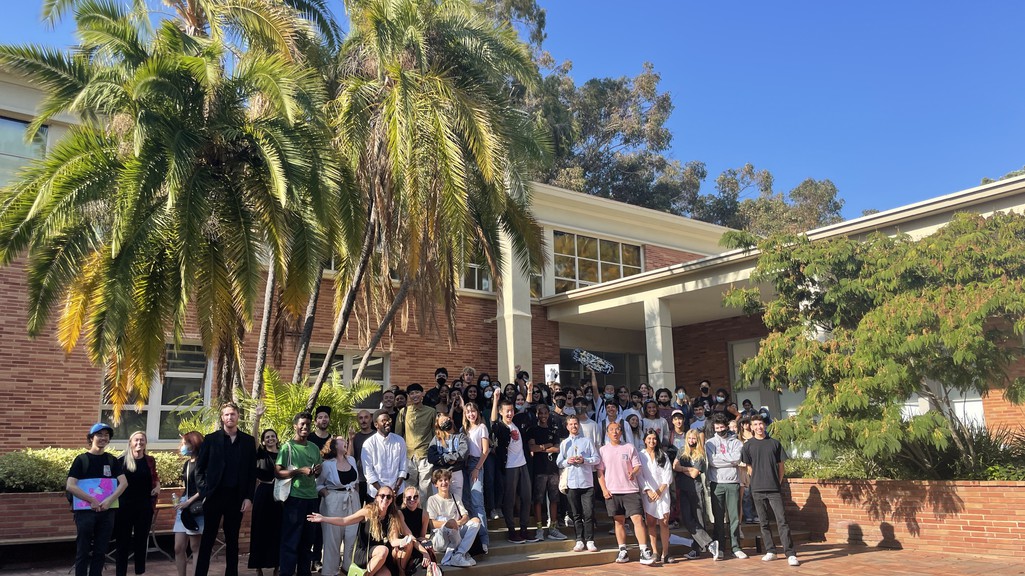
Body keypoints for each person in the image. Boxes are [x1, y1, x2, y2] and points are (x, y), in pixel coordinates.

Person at [306, 487, 430, 576]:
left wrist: (411, 545)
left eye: (388, 497)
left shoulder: (393, 516)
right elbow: (345, 520)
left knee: (386, 574)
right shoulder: (368, 512)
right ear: (376, 497)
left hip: (380, 557)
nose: (385, 499)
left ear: (392, 500)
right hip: (362, 552)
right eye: (382, 496)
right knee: (383, 550)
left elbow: (394, 541)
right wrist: (323, 518)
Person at [195, 402, 257, 576]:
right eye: (227, 415)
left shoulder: (247, 441)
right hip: (214, 495)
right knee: (208, 539)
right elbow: (199, 469)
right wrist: (204, 493)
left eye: (233, 414)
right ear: (222, 417)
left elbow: (252, 473)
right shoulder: (211, 439)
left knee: (232, 540)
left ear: (238, 416)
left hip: (236, 497)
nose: (230, 417)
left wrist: (248, 497)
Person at [67, 422, 127, 576]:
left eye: (106, 435)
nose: (103, 438)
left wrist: (109, 501)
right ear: (91, 438)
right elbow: (71, 485)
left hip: (107, 512)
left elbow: (124, 483)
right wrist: (92, 500)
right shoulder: (81, 460)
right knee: (83, 551)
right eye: (99, 435)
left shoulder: (112, 460)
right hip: (85, 513)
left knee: (101, 551)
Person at [741, 415, 799, 566]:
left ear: (764, 425)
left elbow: (781, 467)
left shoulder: (774, 443)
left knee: (782, 520)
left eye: (761, 424)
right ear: (751, 427)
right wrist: (757, 481)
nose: (759, 427)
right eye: (755, 424)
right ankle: (770, 551)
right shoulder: (748, 446)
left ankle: (790, 553)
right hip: (757, 489)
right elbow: (749, 468)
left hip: (774, 489)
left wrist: (777, 482)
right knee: (763, 522)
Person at [597, 422, 654, 565]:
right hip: (612, 491)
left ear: (621, 432)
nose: (615, 432)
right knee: (619, 521)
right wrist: (604, 489)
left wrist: (633, 472)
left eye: (617, 429)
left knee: (638, 520)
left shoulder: (629, 447)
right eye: (611, 430)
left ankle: (644, 550)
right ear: (607, 433)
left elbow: (637, 466)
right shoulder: (603, 450)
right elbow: (600, 472)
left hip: (630, 490)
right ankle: (623, 550)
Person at [275, 412, 324, 576]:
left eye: (308, 424)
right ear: (295, 426)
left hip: (312, 498)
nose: (305, 427)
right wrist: (298, 471)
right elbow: (278, 472)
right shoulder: (287, 447)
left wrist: (317, 470)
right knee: (290, 541)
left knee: (307, 541)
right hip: (294, 499)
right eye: (302, 424)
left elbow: (317, 473)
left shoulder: (314, 448)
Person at [490, 393, 533, 543]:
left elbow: (526, 405)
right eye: (506, 411)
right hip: (509, 467)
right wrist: (495, 400)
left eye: (512, 410)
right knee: (509, 500)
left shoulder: (517, 422)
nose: (510, 413)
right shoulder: (500, 427)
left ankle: (524, 529)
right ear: (501, 411)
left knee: (527, 497)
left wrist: (529, 391)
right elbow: (493, 421)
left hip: (523, 465)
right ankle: (512, 531)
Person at [115, 431, 159, 576]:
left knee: (141, 542)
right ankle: (120, 573)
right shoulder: (121, 461)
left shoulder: (150, 460)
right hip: (124, 508)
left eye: (142, 440)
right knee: (123, 542)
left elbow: (154, 477)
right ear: (130, 442)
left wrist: (157, 486)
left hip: (144, 507)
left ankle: (140, 572)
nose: (139, 443)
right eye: (136, 440)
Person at [317, 436, 360, 576]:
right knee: (332, 539)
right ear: (335, 446)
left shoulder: (352, 460)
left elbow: (356, 481)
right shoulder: (327, 464)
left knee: (352, 536)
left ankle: (349, 570)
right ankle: (330, 572)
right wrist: (327, 495)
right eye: (343, 441)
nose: (346, 442)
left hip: (353, 500)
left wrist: (356, 495)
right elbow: (318, 484)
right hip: (333, 501)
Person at [557, 414, 600, 553]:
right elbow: (558, 462)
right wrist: (567, 462)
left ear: (578, 425)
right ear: (567, 426)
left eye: (576, 424)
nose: (574, 426)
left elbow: (596, 459)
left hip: (586, 482)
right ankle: (579, 540)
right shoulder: (564, 443)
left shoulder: (587, 441)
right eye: (571, 424)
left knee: (588, 513)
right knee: (576, 514)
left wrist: (584, 460)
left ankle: (590, 540)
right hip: (571, 483)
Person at [706, 413, 746, 560]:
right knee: (718, 517)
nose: (720, 429)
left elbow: (737, 458)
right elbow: (712, 462)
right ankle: (720, 547)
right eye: (717, 427)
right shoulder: (709, 443)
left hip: (733, 482)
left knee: (734, 516)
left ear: (726, 426)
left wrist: (724, 459)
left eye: (722, 427)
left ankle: (736, 546)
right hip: (717, 483)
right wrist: (729, 460)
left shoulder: (736, 442)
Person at [527, 404, 568, 542]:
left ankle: (553, 528)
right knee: (538, 499)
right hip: (539, 470)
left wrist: (542, 448)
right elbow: (532, 447)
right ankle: (539, 529)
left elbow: (557, 449)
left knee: (554, 499)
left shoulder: (553, 430)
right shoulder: (532, 430)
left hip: (553, 469)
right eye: (541, 413)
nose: (543, 416)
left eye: (545, 413)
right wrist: (546, 445)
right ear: (537, 415)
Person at [673, 429, 716, 560]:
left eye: (694, 439)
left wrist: (683, 469)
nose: (691, 441)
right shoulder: (681, 451)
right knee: (687, 518)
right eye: (689, 438)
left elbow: (694, 474)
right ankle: (709, 543)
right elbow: (675, 467)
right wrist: (687, 468)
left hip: (695, 490)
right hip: (683, 488)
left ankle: (697, 549)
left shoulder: (700, 454)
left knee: (698, 519)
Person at [425, 469, 480, 567]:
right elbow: (431, 523)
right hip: (440, 537)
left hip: (457, 532)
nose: (444, 483)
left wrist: (458, 523)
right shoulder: (432, 500)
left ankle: (458, 554)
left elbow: (465, 516)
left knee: (476, 521)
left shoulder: (456, 497)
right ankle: (460, 553)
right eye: (440, 481)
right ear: (435, 484)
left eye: (446, 480)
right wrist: (449, 524)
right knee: (451, 523)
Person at [395, 383, 437, 499]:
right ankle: (410, 515)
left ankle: (425, 515)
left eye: (417, 392)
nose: (415, 395)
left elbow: (435, 434)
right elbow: (398, 436)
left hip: (425, 455)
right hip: (409, 456)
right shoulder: (404, 412)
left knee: (425, 489)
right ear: (408, 396)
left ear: (422, 393)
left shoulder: (431, 411)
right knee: (409, 489)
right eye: (412, 393)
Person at [249, 429, 282, 576]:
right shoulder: (260, 454)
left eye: (272, 436)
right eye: (267, 437)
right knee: (260, 529)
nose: (270, 439)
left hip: (280, 494)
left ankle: (277, 565)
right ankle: (259, 566)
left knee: (278, 529)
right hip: (263, 493)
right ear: (263, 441)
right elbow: (253, 438)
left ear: (276, 439)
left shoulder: (284, 454)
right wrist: (257, 418)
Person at [639, 429, 673, 564]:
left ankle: (666, 552)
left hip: (662, 493)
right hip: (648, 494)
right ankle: (655, 552)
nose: (652, 441)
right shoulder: (640, 455)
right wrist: (648, 491)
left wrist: (659, 491)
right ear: (644, 440)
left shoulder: (662, 454)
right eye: (649, 439)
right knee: (651, 522)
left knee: (664, 522)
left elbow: (668, 475)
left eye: (654, 439)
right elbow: (639, 475)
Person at [174, 432, 206, 576]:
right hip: (184, 506)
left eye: (184, 443)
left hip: (196, 508)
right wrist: (181, 501)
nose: (182, 446)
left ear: (193, 444)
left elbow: (205, 488)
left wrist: (188, 502)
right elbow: (187, 486)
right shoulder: (187, 463)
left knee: (195, 546)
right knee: (178, 547)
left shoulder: (203, 462)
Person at [461, 400, 490, 553]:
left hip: (476, 463)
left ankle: (484, 539)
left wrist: (477, 468)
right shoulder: (464, 429)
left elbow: (486, 450)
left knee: (477, 502)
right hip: (464, 464)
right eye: (467, 412)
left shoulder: (482, 428)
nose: (471, 414)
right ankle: (473, 539)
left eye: (473, 411)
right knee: (467, 502)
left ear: (477, 412)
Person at [362, 410, 407, 499]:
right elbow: (368, 472)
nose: (387, 423)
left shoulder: (399, 440)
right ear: (376, 425)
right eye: (383, 421)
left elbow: (403, 467)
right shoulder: (369, 443)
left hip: (397, 492)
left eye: (388, 420)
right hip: (376, 493)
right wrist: (382, 492)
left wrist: (395, 489)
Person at [426, 412, 468, 502]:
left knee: (457, 501)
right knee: (439, 502)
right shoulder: (436, 439)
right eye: (441, 422)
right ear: (439, 426)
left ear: (450, 419)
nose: (444, 423)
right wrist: (448, 458)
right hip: (439, 475)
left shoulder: (461, 436)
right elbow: (431, 457)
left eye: (445, 420)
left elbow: (463, 453)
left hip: (455, 473)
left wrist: (445, 458)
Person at [351, 410, 376, 505]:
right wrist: (351, 439)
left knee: (373, 512)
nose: (363, 420)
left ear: (371, 419)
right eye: (360, 418)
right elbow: (350, 457)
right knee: (358, 510)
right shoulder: (355, 437)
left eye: (366, 417)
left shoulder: (376, 436)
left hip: (374, 479)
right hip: (360, 479)